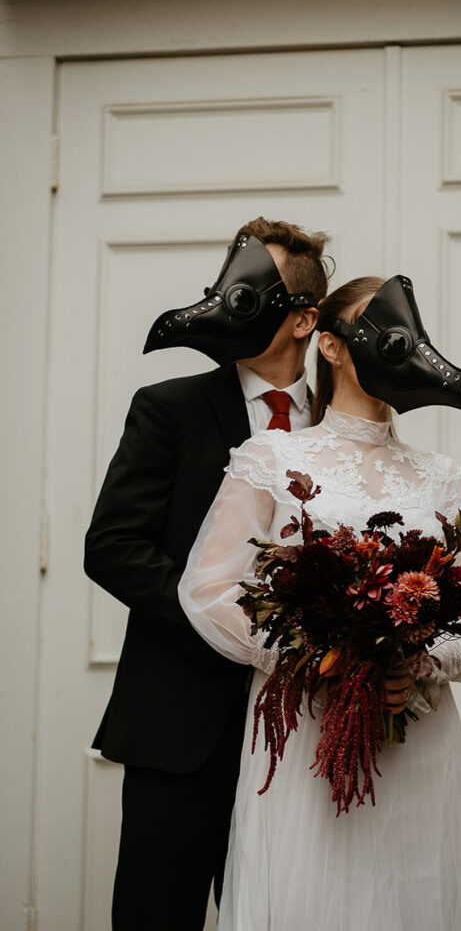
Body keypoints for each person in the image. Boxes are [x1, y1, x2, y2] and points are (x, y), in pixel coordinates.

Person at [178, 274, 461, 931]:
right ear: (333, 346)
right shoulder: (271, 457)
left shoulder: (444, 478)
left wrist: (416, 663)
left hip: (416, 738)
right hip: (307, 733)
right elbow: (209, 589)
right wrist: (318, 655)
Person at [83, 218, 329, 931]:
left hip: (306, 738)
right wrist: (230, 627)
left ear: (304, 318)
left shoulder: (337, 431)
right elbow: (113, 545)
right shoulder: (171, 410)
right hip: (182, 730)